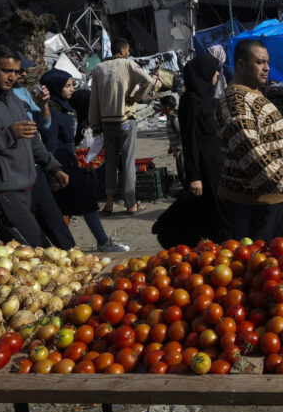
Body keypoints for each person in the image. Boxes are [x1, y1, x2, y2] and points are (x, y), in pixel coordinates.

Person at [0, 47, 75, 249]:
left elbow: (31, 136)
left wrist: (53, 166)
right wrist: (8, 135)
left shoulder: (12, 98)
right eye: (7, 71)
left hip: (31, 181)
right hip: (2, 190)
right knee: (34, 247)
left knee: (60, 234)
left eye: (16, 72)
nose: (13, 77)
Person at [215, 39, 283, 241]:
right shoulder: (236, 101)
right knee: (264, 265)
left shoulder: (251, 92)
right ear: (241, 64)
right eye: (260, 62)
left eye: (267, 62)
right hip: (255, 206)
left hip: (274, 199)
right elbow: (249, 151)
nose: (267, 68)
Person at [41, 69, 129, 253]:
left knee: (78, 205)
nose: (72, 89)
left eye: (72, 85)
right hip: (60, 167)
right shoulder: (51, 112)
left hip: (68, 164)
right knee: (78, 206)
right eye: (67, 86)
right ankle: (89, 244)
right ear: (56, 87)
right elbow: (49, 145)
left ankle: (71, 246)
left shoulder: (63, 108)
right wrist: (51, 174)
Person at [88, 38, 161, 215]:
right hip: (126, 120)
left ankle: (110, 204)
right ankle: (130, 204)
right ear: (122, 51)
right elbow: (149, 81)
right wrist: (135, 98)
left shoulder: (98, 68)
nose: (129, 52)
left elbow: (94, 99)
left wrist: (95, 124)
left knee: (110, 162)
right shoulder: (128, 65)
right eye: (127, 49)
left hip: (107, 123)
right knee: (128, 162)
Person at [179, 54, 234, 242]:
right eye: (214, 72)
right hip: (205, 169)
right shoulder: (191, 103)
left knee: (221, 211)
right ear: (203, 74)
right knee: (217, 213)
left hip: (217, 165)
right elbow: (190, 141)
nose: (217, 76)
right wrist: (194, 177)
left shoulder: (207, 99)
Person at [159, 95, 184, 190]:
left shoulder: (175, 119)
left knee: (182, 168)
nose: (160, 108)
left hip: (181, 150)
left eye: (161, 106)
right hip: (176, 149)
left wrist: (178, 149)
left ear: (167, 107)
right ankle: (182, 184)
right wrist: (171, 147)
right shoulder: (169, 118)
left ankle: (185, 186)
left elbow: (182, 135)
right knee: (179, 168)